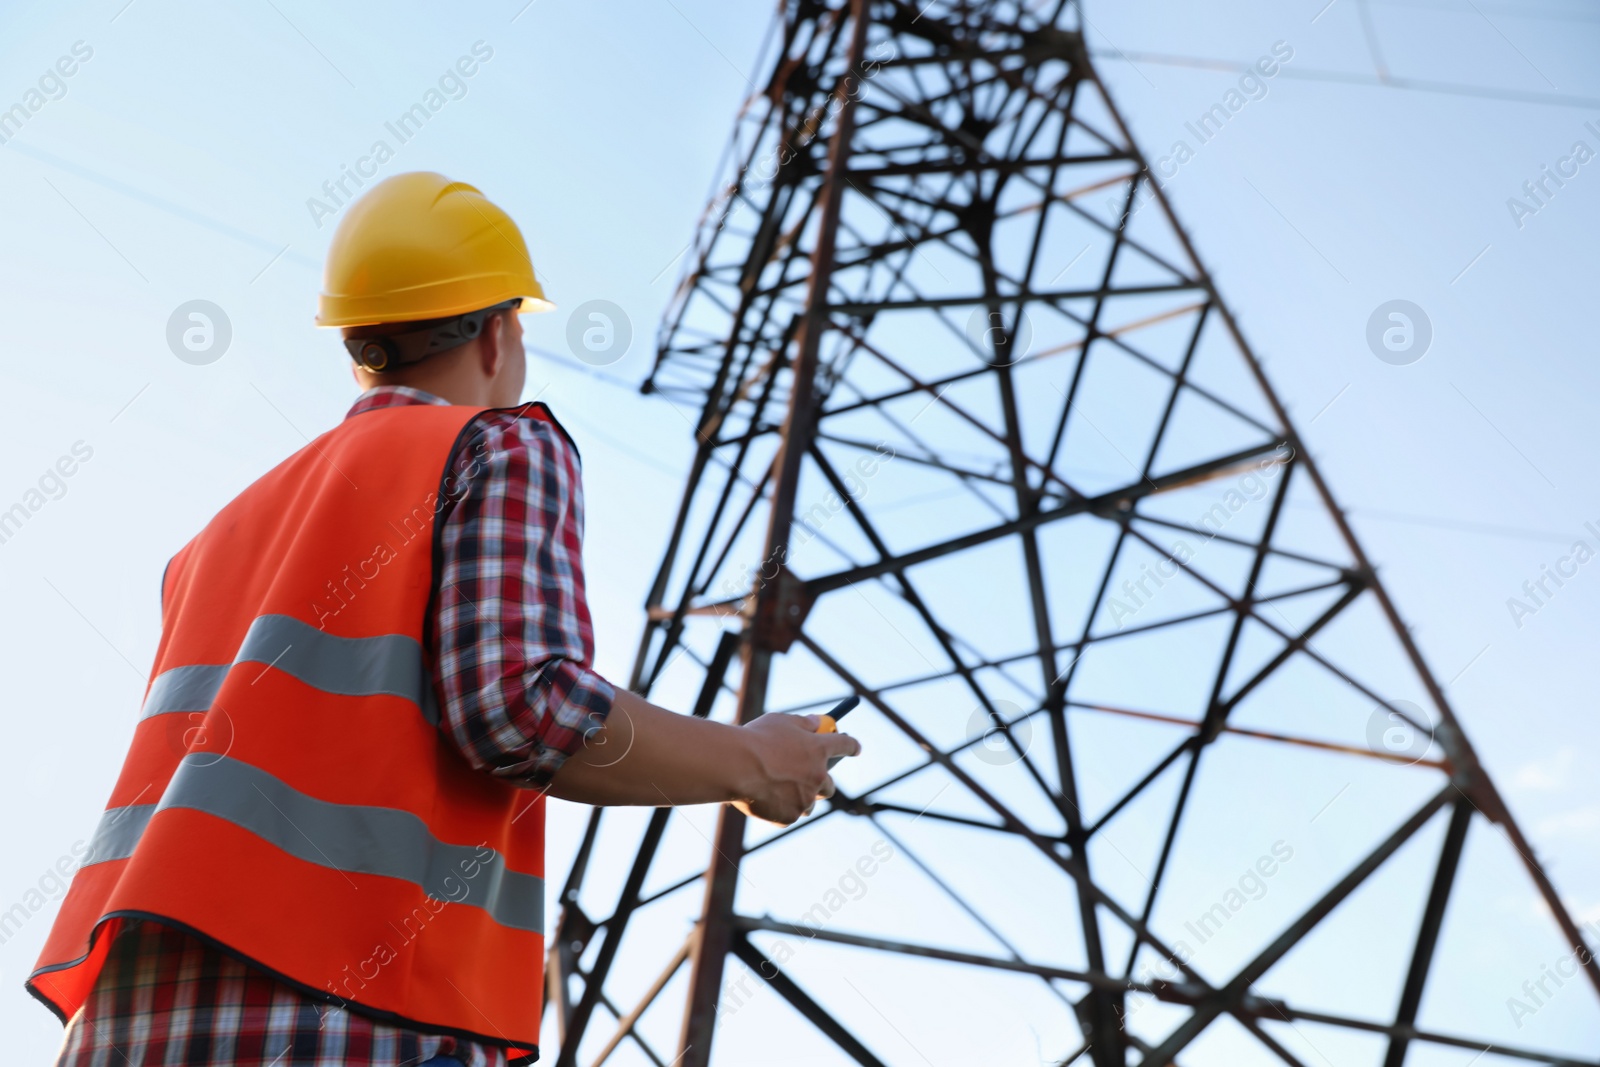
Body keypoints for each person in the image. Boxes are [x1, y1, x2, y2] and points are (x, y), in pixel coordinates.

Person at [28, 171, 860, 1067]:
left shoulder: (216, 536)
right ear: (499, 333)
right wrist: (754, 761)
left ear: (359, 348)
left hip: (129, 1013)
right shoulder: (498, 443)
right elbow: (519, 710)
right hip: (352, 1009)